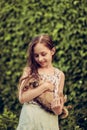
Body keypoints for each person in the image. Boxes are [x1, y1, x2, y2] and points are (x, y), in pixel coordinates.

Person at [17, 34, 65, 130]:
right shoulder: (29, 71)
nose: (40, 59)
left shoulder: (59, 75)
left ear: (52, 51)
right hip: (29, 118)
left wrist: (58, 109)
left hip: (49, 121)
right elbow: (22, 98)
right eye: (36, 56)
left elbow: (59, 110)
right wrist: (45, 86)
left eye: (43, 54)